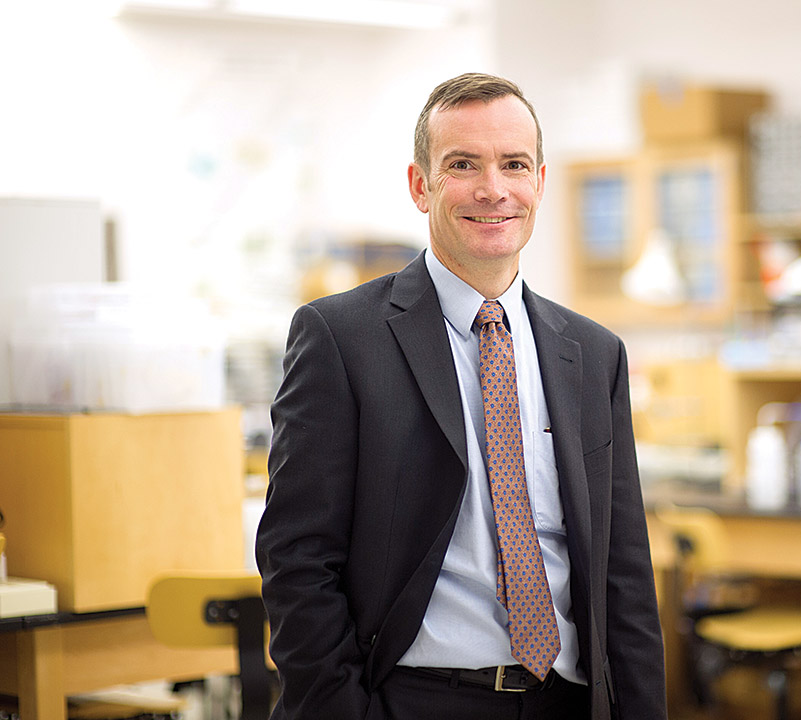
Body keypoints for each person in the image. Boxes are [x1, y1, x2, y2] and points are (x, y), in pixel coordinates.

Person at [256, 72, 667, 720]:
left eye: (513, 164)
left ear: (539, 182)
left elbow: (624, 576)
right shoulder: (340, 338)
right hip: (416, 701)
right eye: (463, 164)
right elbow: (297, 559)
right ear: (421, 185)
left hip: (566, 701)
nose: (493, 189)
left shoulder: (594, 354)